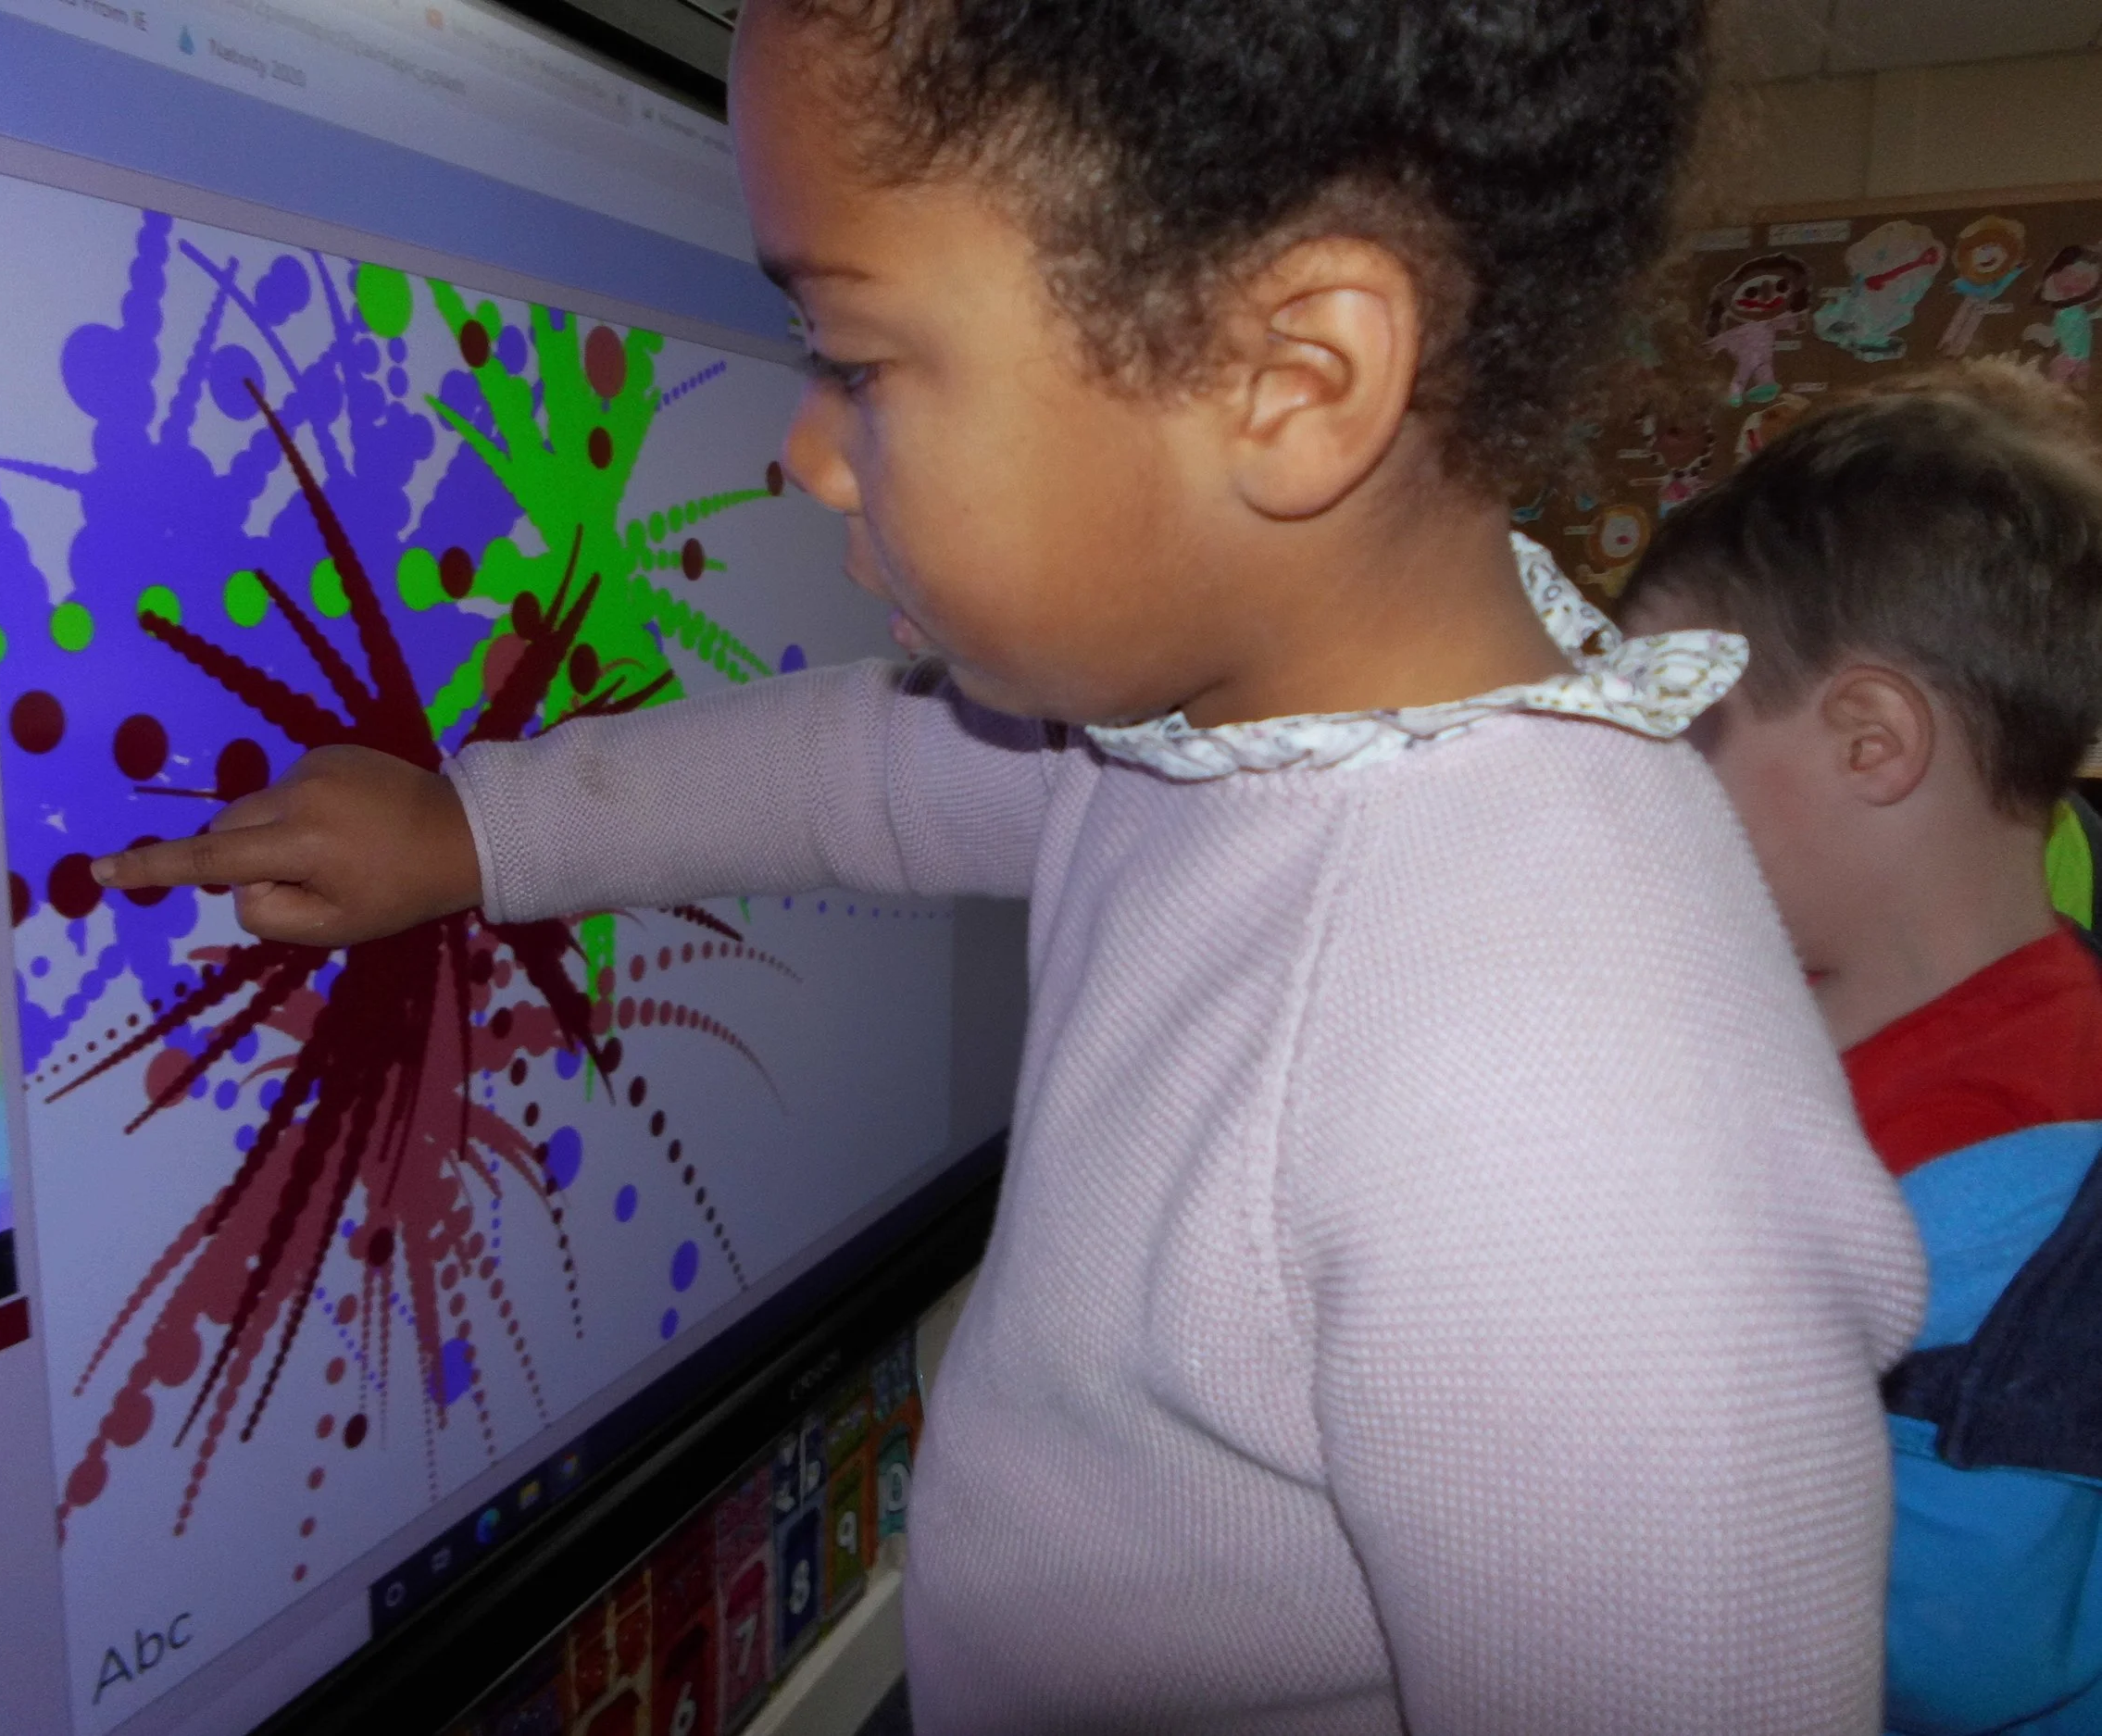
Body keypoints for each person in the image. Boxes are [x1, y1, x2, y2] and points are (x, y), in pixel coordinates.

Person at [94, 1, 1925, 1729]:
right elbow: (849, 772)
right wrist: (473, 830)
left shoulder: (1558, 1097)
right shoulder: (1206, 729)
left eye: (857, 361)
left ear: (1290, 380)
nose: (809, 454)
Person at [1620, 362, 2102, 1735]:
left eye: (1677, 735)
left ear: (1870, 742)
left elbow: (1941, 1652)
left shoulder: (2026, 1177)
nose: (1632, 789)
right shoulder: (1798, 1010)